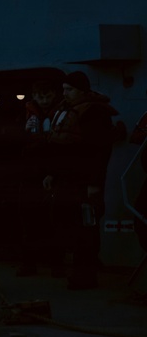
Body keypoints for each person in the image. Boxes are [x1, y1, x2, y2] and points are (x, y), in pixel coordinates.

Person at [42, 71, 117, 289]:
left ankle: (86, 275)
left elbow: (99, 151)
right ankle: (80, 271)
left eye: (70, 89)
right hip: (68, 180)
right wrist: (52, 173)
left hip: (84, 182)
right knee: (73, 227)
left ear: (82, 90)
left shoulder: (94, 113)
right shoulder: (69, 110)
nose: (65, 93)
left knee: (86, 229)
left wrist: (94, 183)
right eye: (64, 89)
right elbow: (61, 150)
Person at [17, 80, 63, 276]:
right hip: (31, 172)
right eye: (41, 96)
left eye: (48, 96)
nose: (44, 100)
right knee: (30, 221)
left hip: (52, 171)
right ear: (34, 96)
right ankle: (30, 264)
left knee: (54, 221)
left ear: (55, 95)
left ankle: (55, 264)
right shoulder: (26, 114)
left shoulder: (61, 113)